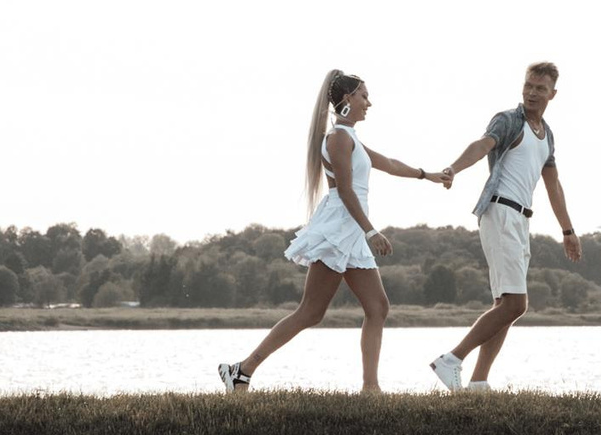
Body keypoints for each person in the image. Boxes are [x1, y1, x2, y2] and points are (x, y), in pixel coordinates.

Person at [217, 68, 450, 394]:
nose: (369, 102)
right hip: (339, 230)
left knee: (378, 308)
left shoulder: (351, 138)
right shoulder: (338, 138)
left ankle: (370, 388)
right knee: (311, 312)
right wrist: (371, 232)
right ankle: (241, 371)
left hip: (351, 232)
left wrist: (428, 175)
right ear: (347, 98)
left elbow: (390, 163)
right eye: (364, 96)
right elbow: (345, 191)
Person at [428, 61, 581, 392]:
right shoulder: (509, 120)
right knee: (515, 304)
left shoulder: (547, 135)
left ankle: (479, 381)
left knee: (505, 308)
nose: (532, 93)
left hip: (521, 220)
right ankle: (451, 359)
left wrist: (567, 231)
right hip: (500, 212)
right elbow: (483, 145)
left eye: (540, 88)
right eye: (528, 85)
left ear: (553, 94)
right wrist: (454, 168)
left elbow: (553, 185)